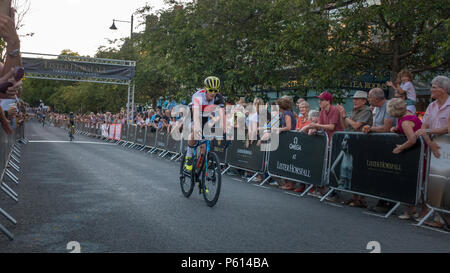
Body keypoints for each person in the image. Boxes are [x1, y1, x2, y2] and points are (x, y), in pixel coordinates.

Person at [414, 75, 450, 228]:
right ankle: (438, 218)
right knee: (434, 181)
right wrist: (431, 144)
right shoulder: (431, 106)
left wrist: (428, 132)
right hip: (433, 149)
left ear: (443, 89)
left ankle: (444, 218)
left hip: (447, 149)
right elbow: (423, 128)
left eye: (434, 87)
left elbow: (447, 129)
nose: (431, 89)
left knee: (446, 182)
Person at [387, 98, 423, 219]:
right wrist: (395, 129)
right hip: (417, 152)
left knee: (409, 181)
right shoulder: (408, 116)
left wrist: (400, 147)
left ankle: (414, 211)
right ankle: (410, 211)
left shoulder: (405, 122)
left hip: (415, 153)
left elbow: (412, 139)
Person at [365, 88, 397, 212]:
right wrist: (369, 128)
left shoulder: (389, 106)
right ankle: (381, 200)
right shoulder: (376, 108)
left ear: (377, 98)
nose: (368, 99)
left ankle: (389, 202)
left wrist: (370, 129)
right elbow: (376, 125)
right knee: (378, 172)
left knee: (387, 172)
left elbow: (386, 128)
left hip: (389, 144)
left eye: (369, 97)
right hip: (379, 144)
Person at [184, 76, 225, 172]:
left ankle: (200, 177)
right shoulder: (198, 96)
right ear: (205, 89)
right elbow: (196, 115)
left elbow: (222, 114)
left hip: (206, 116)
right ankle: (189, 156)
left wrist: (223, 130)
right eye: (210, 90)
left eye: (216, 90)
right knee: (195, 130)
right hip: (194, 114)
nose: (213, 93)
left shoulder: (219, 97)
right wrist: (198, 127)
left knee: (204, 149)